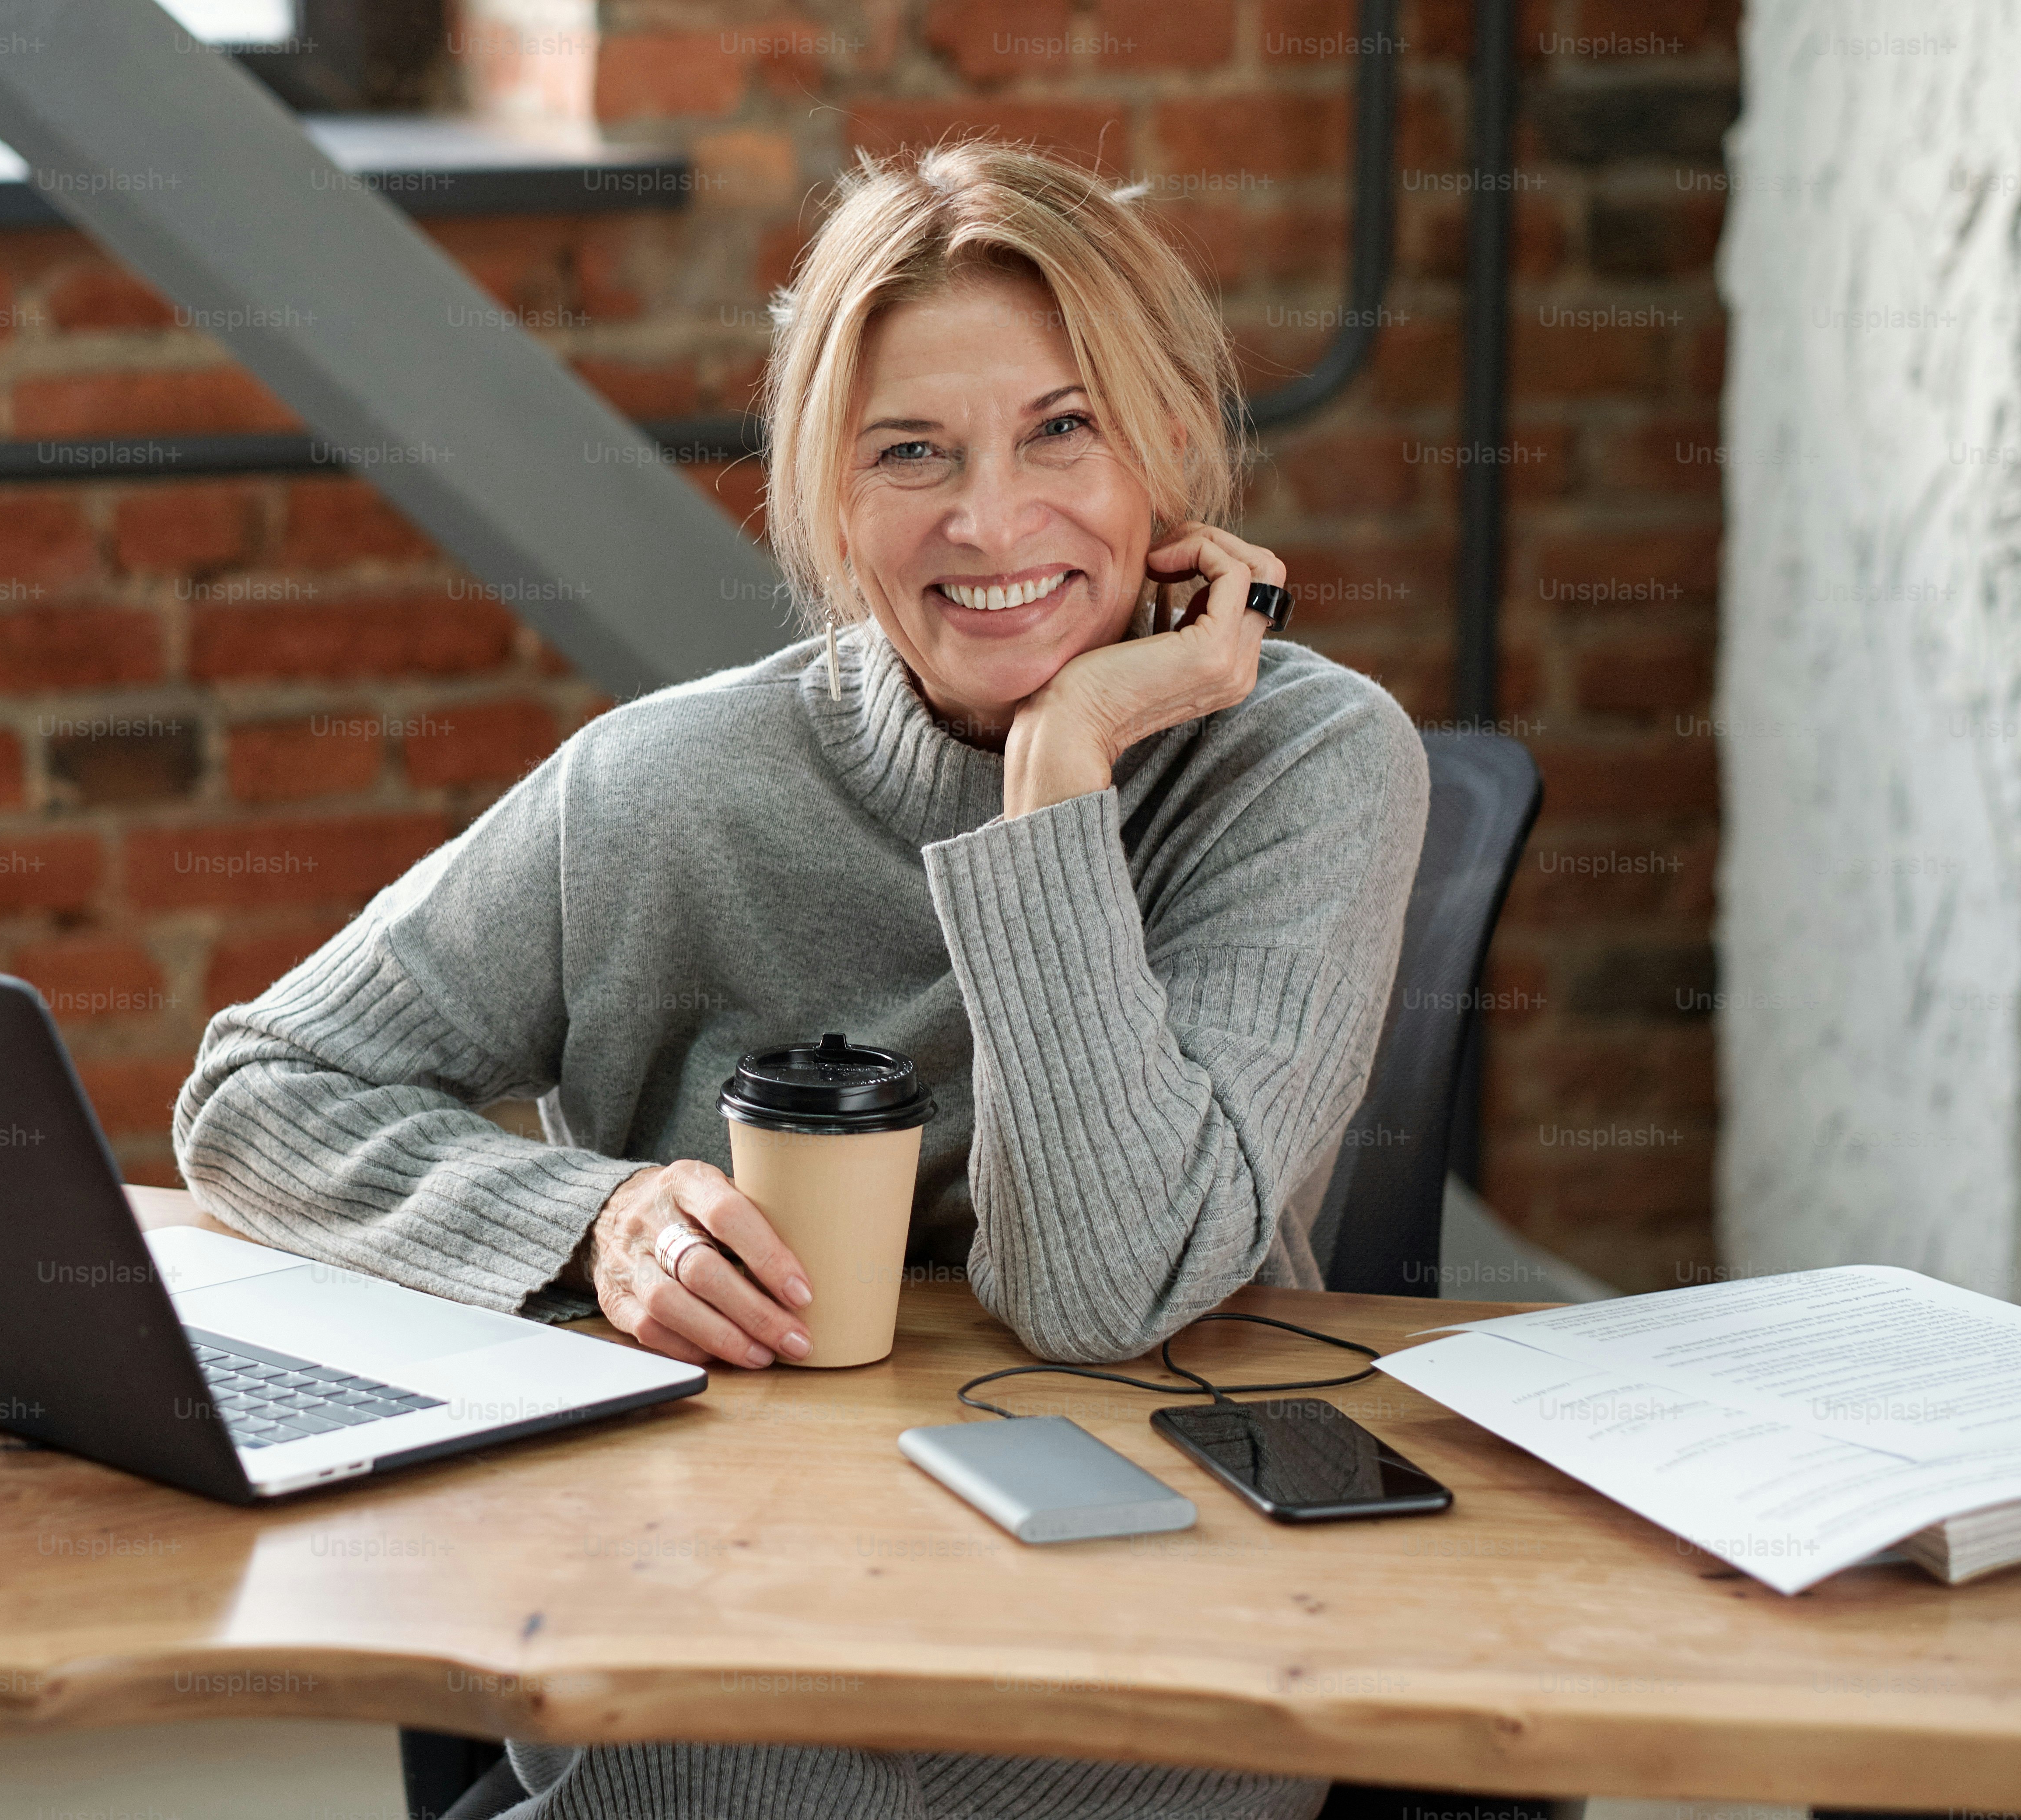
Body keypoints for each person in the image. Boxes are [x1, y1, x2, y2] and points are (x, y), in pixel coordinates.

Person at [175, 138, 1428, 1820]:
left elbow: (1097, 1299)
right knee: (716, 1726)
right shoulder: (661, 787)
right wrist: (590, 1222)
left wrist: (1059, 773)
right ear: (831, 499)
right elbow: (258, 1091)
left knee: (716, 1754)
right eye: (913, 453)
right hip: (729, 1601)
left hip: (1142, 1649)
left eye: (1066, 429)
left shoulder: (1307, 766)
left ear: (1171, 457)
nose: (993, 520)